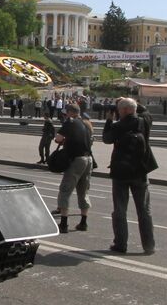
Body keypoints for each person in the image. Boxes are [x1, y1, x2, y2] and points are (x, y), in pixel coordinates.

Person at [102, 97, 153, 252]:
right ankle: (149, 246)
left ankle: (120, 244)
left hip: (120, 173)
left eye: (119, 109)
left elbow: (106, 139)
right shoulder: (144, 122)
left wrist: (109, 121)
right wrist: (132, 103)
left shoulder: (118, 126)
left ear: (123, 111)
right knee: (144, 211)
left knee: (120, 210)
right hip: (140, 172)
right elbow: (147, 112)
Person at [55, 102, 95, 233]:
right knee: (83, 191)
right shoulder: (86, 123)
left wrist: (63, 140)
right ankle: (83, 222)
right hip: (88, 159)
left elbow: (58, 138)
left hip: (76, 159)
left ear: (70, 112)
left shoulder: (70, 122)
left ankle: (64, 224)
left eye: (66, 112)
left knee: (65, 189)